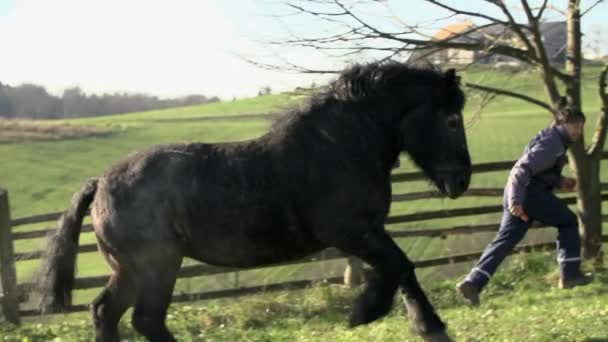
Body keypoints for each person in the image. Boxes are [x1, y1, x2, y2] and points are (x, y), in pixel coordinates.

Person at [457, 104, 592, 306]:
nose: (578, 130)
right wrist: (515, 202)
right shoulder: (553, 144)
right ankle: (570, 275)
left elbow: (540, 171)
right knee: (568, 221)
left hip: (520, 193)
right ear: (561, 123)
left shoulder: (553, 140)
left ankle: (473, 283)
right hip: (528, 195)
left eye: (581, 126)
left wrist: (559, 181)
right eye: (574, 125)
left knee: (505, 241)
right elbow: (521, 170)